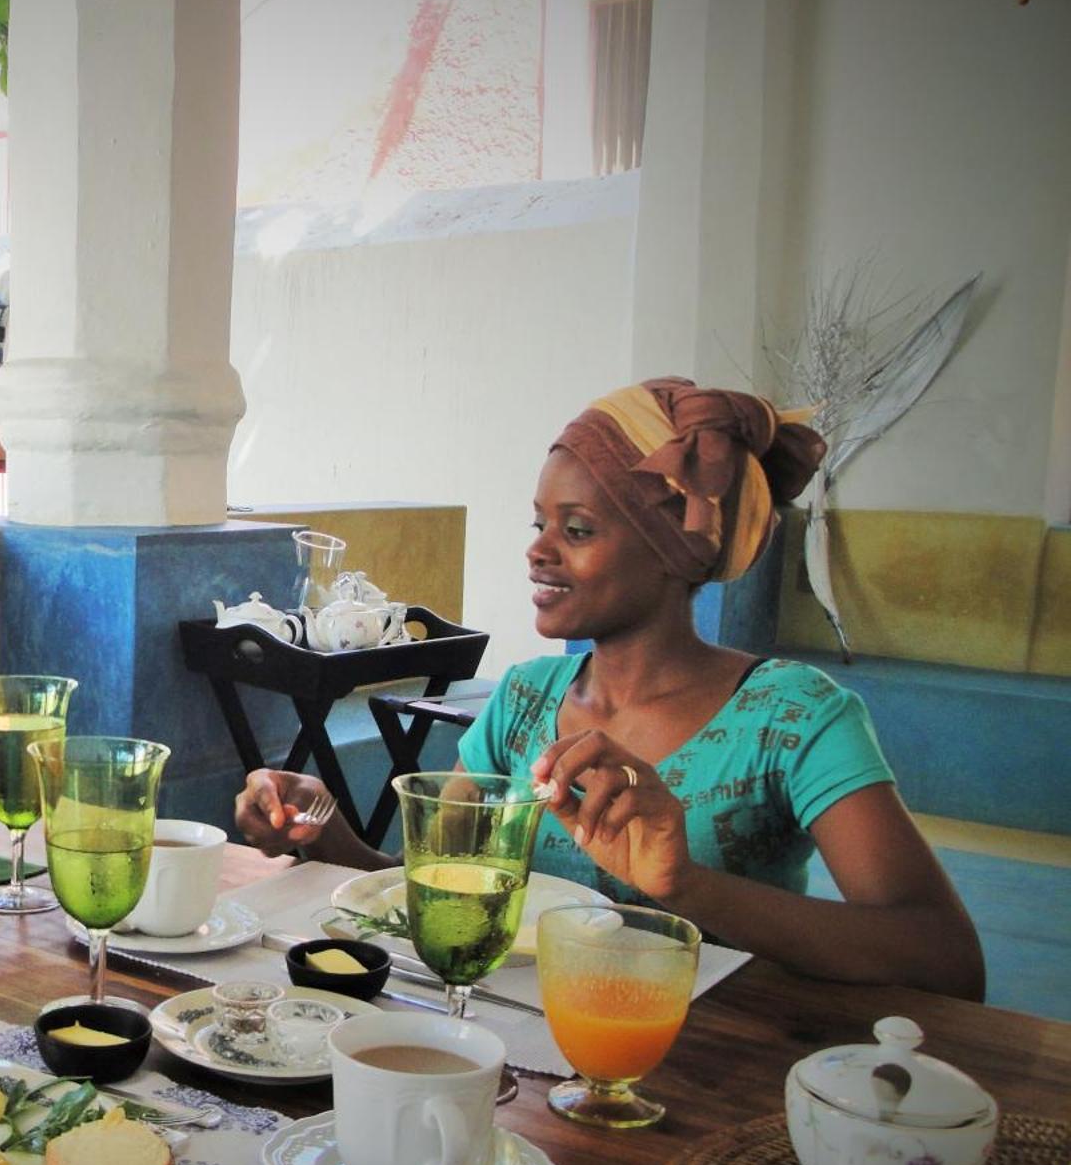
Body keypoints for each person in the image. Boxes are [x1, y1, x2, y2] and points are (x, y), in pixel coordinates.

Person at [236, 377, 984, 1001]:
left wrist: (684, 884)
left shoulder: (793, 718)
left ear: (675, 550)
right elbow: (436, 892)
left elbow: (945, 958)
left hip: (714, 1080)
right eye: (539, 522)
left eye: (579, 529)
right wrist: (330, 841)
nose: (537, 550)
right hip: (528, 1064)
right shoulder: (525, 700)